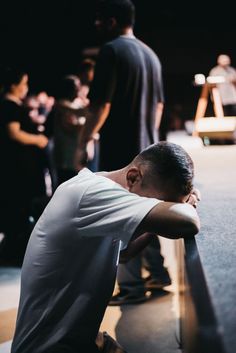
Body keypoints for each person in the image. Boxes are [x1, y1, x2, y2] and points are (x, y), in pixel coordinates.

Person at [11, 142, 200, 353]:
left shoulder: (98, 185)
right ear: (133, 177)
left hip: (79, 339)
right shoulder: (93, 194)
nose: (161, 210)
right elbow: (188, 221)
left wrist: (163, 214)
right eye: (160, 204)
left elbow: (124, 254)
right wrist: (185, 206)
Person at [76, 0, 168, 306]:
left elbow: (100, 104)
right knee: (147, 213)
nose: (97, 26)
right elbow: (158, 106)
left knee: (122, 218)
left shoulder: (111, 51)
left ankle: (131, 288)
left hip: (121, 151)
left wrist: (83, 142)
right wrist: (150, 141)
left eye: (100, 20)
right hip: (148, 149)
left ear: (112, 21)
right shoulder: (151, 55)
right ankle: (157, 273)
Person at [0, 67, 48, 264]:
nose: (26, 88)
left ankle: (14, 252)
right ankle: (14, 254)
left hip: (19, 169)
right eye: (23, 84)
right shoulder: (8, 106)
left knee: (20, 209)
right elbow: (14, 133)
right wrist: (37, 139)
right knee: (18, 209)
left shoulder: (12, 105)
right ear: (13, 85)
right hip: (17, 171)